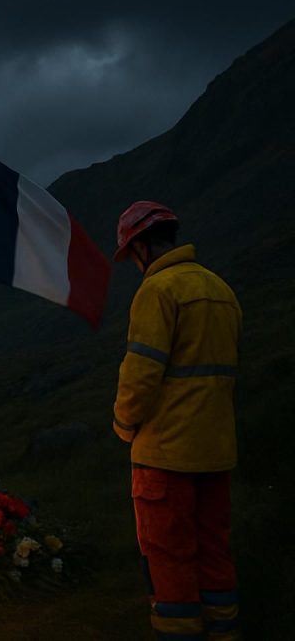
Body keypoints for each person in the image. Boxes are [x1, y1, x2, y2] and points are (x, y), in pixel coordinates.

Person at [112, 201, 242, 640]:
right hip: (216, 451)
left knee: (168, 556)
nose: (133, 263)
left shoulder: (158, 291)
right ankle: (224, 632)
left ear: (142, 247)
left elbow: (140, 374)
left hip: (165, 455)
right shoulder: (220, 289)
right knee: (213, 551)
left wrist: (124, 424)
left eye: (131, 254)